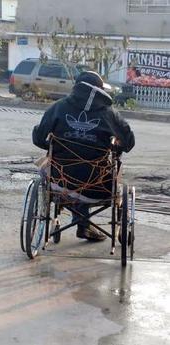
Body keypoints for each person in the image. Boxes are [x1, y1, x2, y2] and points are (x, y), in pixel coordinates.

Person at [32, 71, 135, 241]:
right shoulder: (110, 114)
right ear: (100, 90)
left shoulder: (58, 107)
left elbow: (38, 137)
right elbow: (129, 143)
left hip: (60, 181)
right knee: (97, 170)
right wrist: (117, 147)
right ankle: (84, 225)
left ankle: (83, 224)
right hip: (98, 186)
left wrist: (53, 147)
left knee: (57, 168)